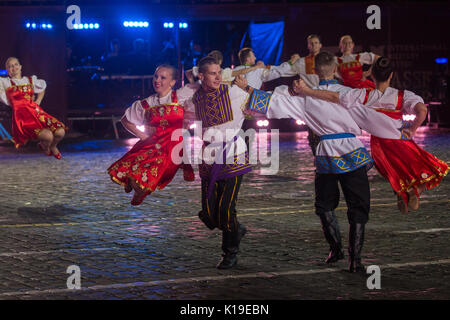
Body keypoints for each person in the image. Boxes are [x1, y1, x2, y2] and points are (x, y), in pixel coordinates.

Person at [235, 51, 390, 273]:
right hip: (353, 152)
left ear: (315, 72)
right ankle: (355, 260)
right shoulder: (350, 93)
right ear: (336, 70)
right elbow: (374, 116)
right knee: (358, 206)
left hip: (327, 154)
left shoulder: (305, 98)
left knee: (324, 205)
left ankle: (336, 249)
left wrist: (246, 88)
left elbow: (272, 103)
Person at [297, 57, 449, 213]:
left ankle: (403, 191)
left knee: (394, 172)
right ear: (391, 75)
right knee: (425, 170)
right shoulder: (403, 96)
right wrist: (413, 129)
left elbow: (334, 97)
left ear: (372, 77)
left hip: (381, 147)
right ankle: (412, 190)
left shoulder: (364, 95)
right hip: (401, 141)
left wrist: (307, 91)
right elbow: (422, 110)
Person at [107, 65, 198, 206]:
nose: (157, 80)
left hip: (171, 150)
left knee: (142, 180)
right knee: (119, 174)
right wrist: (142, 136)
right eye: (156, 76)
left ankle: (138, 189)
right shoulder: (146, 103)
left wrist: (195, 75)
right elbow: (125, 120)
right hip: (151, 145)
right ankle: (135, 186)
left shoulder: (179, 96)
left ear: (172, 82)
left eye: (163, 77)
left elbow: (202, 85)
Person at [0, 57, 67, 158]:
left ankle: (53, 146)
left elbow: (42, 87)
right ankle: (45, 146)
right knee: (48, 136)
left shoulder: (29, 80)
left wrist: (38, 100)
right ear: (7, 70)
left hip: (36, 112)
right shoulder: (5, 82)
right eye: (10, 66)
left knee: (60, 132)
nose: (13, 67)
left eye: (15, 64)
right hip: (23, 117)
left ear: (20, 66)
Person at [275, 34, 323, 156]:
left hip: (326, 99)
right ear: (308, 46)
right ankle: (319, 161)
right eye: (311, 43)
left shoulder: (328, 60)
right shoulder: (302, 62)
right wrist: (291, 62)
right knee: (313, 133)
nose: (313, 45)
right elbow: (282, 71)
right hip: (311, 100)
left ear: (320, 45)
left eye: (316, 43)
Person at [185, 50, 265, 85]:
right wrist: (256, 67)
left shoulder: (201, 68)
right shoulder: (224, 72)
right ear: (220, 61)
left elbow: (188, 72)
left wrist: (192, 83)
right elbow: (240, 72)